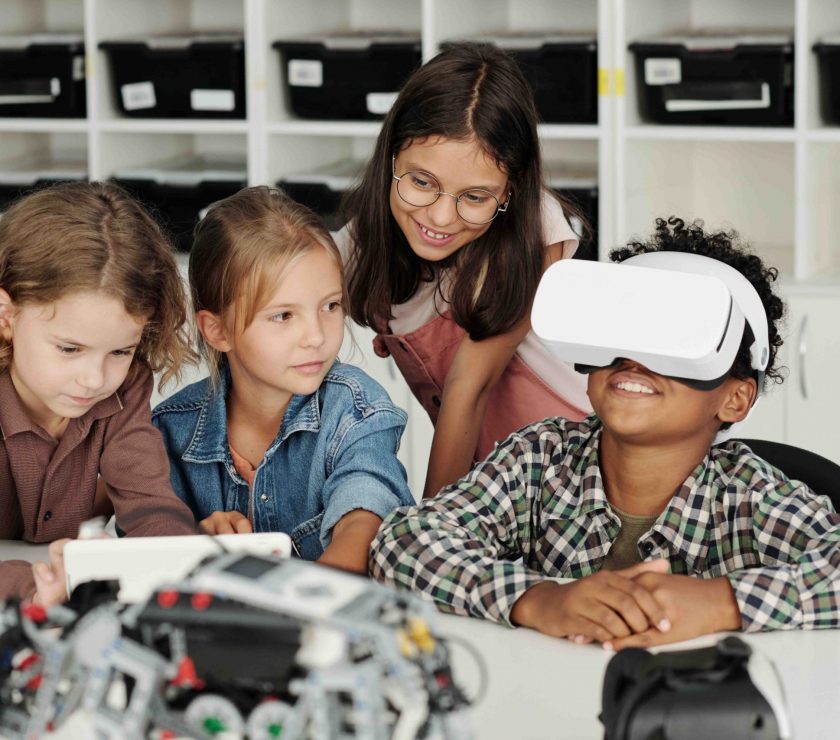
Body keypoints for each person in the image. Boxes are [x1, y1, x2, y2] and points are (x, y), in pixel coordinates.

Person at [370, 217, 840, 648]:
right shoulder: (539, 458)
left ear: (734, 398)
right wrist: (538, 599)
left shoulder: (750, 499)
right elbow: (405, 540)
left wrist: (720, 603)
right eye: (624, 331)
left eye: (676, 341)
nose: (634, 358)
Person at [339, 43, 592, 499]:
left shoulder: (533, 231)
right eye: (421, 182)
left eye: (475, 197)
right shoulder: (362, 241)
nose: (439, 218)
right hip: (486, 484)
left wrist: (432, 534)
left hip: (570, 478)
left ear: (511, 191)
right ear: (391, 157)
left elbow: (467, 391)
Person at [152, 187, 414, 574]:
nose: (315, 336)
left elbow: (364, 517)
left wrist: (303, 605)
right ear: (218, 330)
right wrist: (190, 541)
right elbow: (138, 535)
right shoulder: (170, 429)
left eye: (330, 306)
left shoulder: (357, 411)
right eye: (284, 316)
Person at [0, 181, 199, 606]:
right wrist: (31, 584)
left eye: (120, 351)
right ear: (6, 316)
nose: (94, 379)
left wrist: (182, 564)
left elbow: (150, 504)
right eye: (70, 349)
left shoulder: (125, 387)